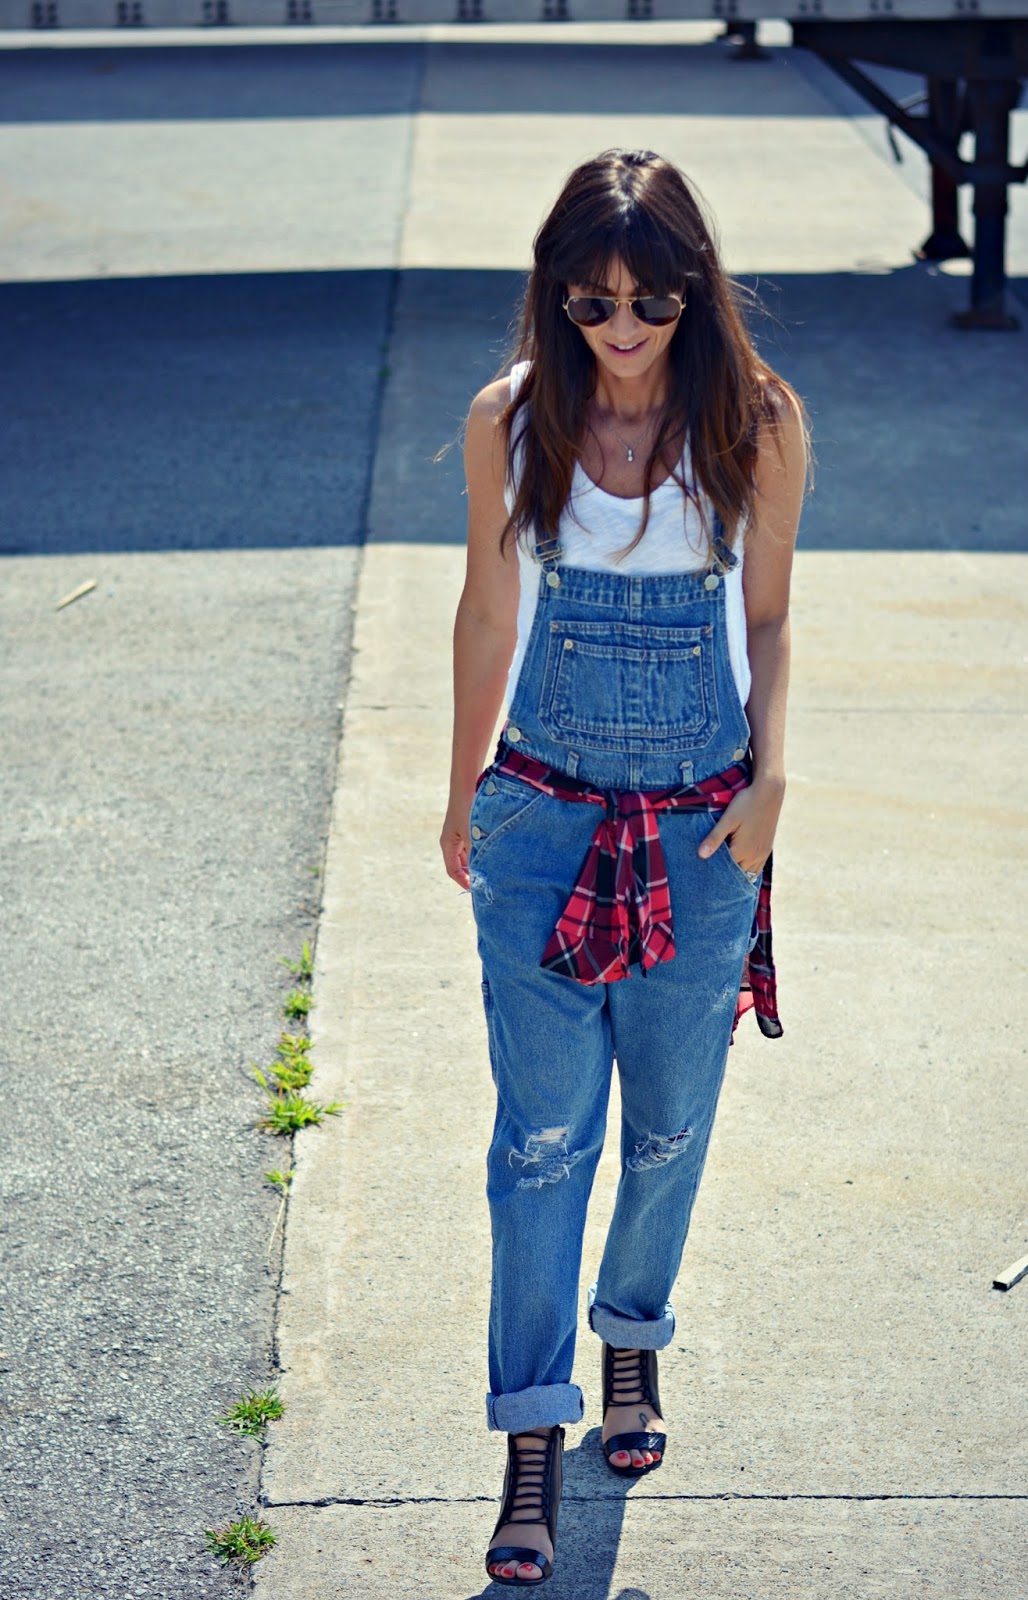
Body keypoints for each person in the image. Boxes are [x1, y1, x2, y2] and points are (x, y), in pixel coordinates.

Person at [440, 148, 810, 1587]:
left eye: (651, 301)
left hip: (702, 835)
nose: (623, 329)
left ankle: (632, 1337)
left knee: (666, 1130)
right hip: (541, 820)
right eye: (591, 304)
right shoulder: (512, 417)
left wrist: (772, 782)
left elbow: (767, 617)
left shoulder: (756, 420)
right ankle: (532, 1435)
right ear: (557, 297)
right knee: (540, 1144)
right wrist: (463, 792)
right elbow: (487, 610)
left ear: (694, 293)